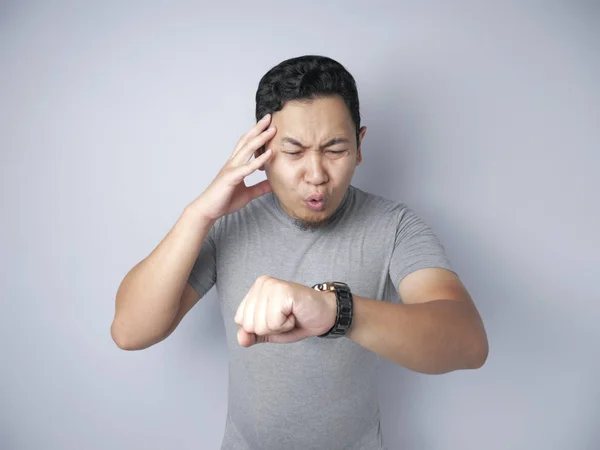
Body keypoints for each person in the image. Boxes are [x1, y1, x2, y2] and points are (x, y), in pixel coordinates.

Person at [111, 55, 489, 450]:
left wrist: (334, 310)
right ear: (261, 150)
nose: (316, 175)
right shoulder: (226, 223)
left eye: (335, 150)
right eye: (293, 152)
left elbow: (468, 343)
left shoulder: (394, 226)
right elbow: (130, 331)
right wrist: (200, 212)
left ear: (360, 146)